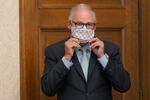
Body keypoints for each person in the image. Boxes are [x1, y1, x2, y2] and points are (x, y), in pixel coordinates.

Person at [41, 3, 130, 100]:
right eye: (79, 24)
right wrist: (66, 59)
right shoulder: (54, 51)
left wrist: (102, 57)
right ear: (69, 25)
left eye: (88, 24)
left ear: (94, 27)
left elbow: (124, 85)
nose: (84, 28)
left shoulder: (110, 49)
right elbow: (48, 89)